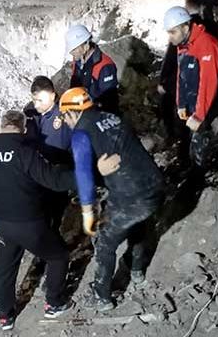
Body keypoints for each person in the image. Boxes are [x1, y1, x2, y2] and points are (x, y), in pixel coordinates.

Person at [58, 87, 164, 311]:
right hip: (155, 186)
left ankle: (101, 296)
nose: (65, 122)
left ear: (71, 113)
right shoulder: (112, 117)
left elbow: (84, 176)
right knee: (137, 224)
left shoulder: (80, 134)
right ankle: (136, 272)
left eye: (64, 116)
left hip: (131, 195)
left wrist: (87, 213)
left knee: (105, 241)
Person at [0, 110, 78, 329]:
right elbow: (54, 181)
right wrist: (84, 175)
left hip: (1, 224)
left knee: (4, 269)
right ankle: (54, 303)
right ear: (24, 128)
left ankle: (4, 316)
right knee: (58, 256)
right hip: (30, 224)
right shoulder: (25, 153)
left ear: (1, 127)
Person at [163, 6, 218, 168]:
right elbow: (181, 76)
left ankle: (203, 176)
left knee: (200, 144)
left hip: (207, 103)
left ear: (185, 26)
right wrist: (181, 103)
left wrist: (200, 115)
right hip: (192, 101)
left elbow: (209, 81)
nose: (170, 38)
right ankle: (189, 168)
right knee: (188, 140)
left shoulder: (206, 44)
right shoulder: (183, 44)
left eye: (172, 32)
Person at [24, 76, 74, 232]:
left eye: (41, 100)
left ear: (53, 96)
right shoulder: (37, 114)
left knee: (52, 216)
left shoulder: (59, 118)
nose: (37, 105)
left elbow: (54, 151)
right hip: (43, 173)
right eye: (34, 100)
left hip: (55, 175)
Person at [65, 24, 120, 114]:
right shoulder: (78, 61)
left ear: (86, 45)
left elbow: (108, 102)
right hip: (82, 113)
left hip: (99, 116)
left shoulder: (104, 66)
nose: (71, 53)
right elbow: (74, 87)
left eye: (74, 49)